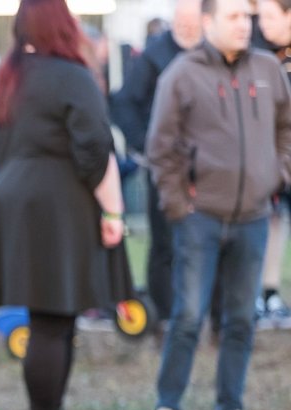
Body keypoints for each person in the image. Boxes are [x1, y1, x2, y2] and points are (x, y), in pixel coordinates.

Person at [139, 0, 291, 410]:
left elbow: (287, 127)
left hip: (253, 217)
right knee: (188, 317)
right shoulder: (182, 75)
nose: (245, 25)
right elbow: (160, 146)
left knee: (240, 320)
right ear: (208, 23)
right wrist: (178, 203)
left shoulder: (267, 69)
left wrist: (278, 174)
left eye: (248, 17)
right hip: (199, 219)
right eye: (234, 17)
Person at [0, 0, 131, 410]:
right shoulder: (72, 75)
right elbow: (95, 149)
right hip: (54, 204)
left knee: (47, 320)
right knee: (53, 322)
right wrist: (112, 212)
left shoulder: (9, 76)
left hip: (13, 199)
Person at [110, 0, 204, 325]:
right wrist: (145, 146)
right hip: (166, 166)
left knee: (209, 242)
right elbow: (123, 102)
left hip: (210, 167)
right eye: (183, 23)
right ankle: (164, 317)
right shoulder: (154, 55)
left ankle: (210, 316)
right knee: (164, 243)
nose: (188, 30)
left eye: (194, 23)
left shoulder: (214, 52)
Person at [255, 0, 291, 328]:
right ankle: (266, 292)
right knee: (272, 223)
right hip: (273, 161)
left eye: (269, 16)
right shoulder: (258, 53)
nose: (261, 23)